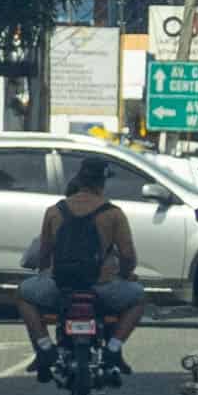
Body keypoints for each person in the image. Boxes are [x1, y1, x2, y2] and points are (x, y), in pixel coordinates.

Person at [20, 157, 148, 382]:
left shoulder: (54, 211)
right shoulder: (113, 213)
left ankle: (44, 347)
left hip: (60, 286)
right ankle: (114, 348)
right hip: (102, 287)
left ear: (79, 179)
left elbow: (44, 253)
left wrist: (44, 273)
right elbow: (128, 256)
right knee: (138, 298)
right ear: (103, 183)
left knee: (23, 295)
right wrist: (126, 275)